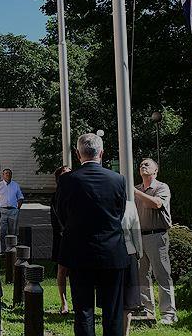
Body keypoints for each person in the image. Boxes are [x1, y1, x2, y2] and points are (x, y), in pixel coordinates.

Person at [56, 133, 130, 336]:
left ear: (78, 154)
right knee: (113, 311)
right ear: (102, 153)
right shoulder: (118, 179)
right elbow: (119, 213)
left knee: (83, 311)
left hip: (79, 251)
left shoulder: (67, 180)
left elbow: (62, 214)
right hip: (111, 250)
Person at [133, 158, 177, 324]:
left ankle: (168, 314)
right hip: (139, 236)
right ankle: (147, 311)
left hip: (156, 235)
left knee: (162, 275)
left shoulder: (161, 187)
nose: (143, 166)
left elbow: (157, 204)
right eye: (141, 165)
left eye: (147, 164)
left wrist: (135, 192)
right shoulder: (136, 189)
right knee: (141, 276)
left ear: (156, 171)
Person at [50, 165, 72, 314]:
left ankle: (77, 300)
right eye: (65, 173)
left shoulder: (79, 192)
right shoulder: (56, 196)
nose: (68, 175)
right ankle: (64, 303)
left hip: (77, 237)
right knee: (62, 269)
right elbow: (56, 220)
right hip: (62, 237)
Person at [121, 201, 143, 336]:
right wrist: (139, 252)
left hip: (107, 253)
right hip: (129, 252)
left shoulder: (100, 202)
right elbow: (136, 231)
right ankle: (125, 333)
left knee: (110, 299)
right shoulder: (130, 206)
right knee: (128, 300)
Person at [0, 168, 25, 254]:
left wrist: (17, 209)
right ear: (3, 175)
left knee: (13, 232)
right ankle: (2, 251)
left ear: (11, 175)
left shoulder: (15, 185)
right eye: (6, 173)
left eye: (9, 173)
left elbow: (20, 197)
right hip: (2, 211)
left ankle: (12, 251)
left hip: (13, 211)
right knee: (2, 232)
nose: (8, 174)